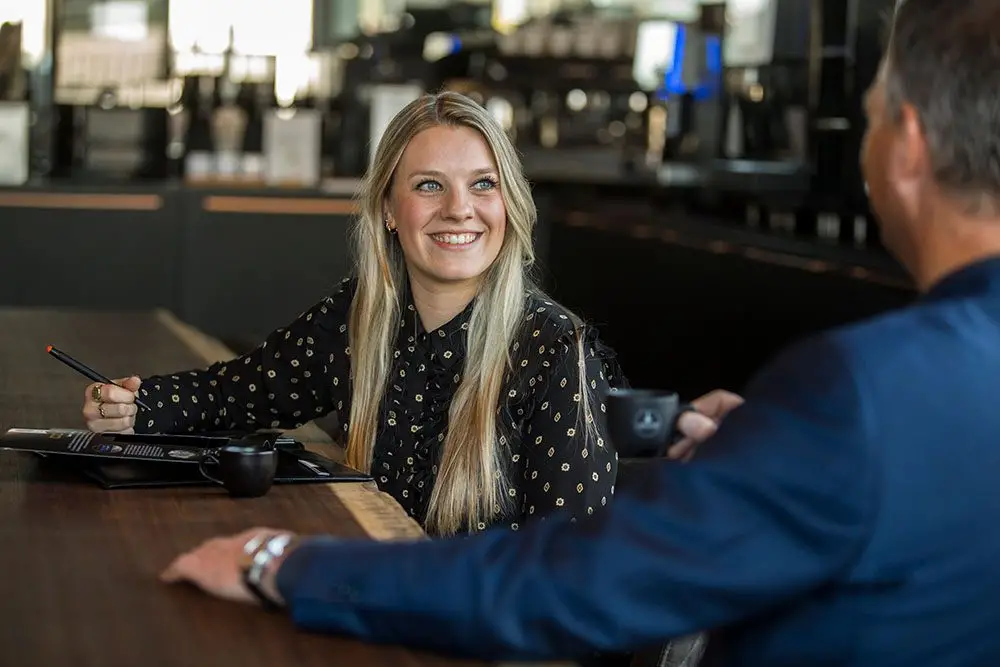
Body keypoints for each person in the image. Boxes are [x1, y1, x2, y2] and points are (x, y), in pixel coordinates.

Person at [158, 2, 1000, 666]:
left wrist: (283, 564)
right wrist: (785, 454)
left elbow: (579, 582)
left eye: (872, 116)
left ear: (909, 146)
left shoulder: (855, 394)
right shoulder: (871, 404)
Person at [81, 91, 725, 536]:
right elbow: (241, 392)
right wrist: (138, 404)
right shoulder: (361, 316)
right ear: (388, 208)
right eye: (428, 185)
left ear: (510, 203)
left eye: (482, 183)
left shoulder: (555, 350)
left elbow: (568, 568)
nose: (459, 209)